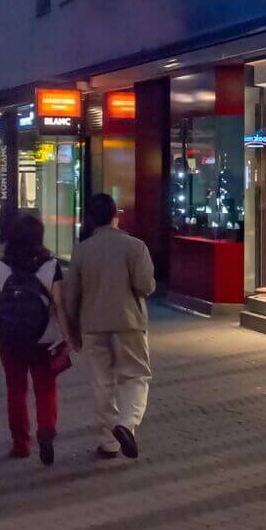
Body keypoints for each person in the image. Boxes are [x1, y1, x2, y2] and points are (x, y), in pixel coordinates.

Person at [65, 193, 155, 460]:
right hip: (129, 323)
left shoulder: (82, 250)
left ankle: (109, 442)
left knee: (101, 383)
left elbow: (71, 295)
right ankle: (126, 425)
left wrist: (72, 330)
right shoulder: (135, 246)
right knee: (136, 376)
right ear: (116, 215)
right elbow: (146, 286)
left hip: (92, 325)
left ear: (90, 219)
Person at [0, 214, 68, 464]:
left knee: (16, 391)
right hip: (43, 339)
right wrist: (68, 336)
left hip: (10, 338)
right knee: (45, 387)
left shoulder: (1, 266)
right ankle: (46, 429)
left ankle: (21, 444)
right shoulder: (50, 266)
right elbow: (59, 304)